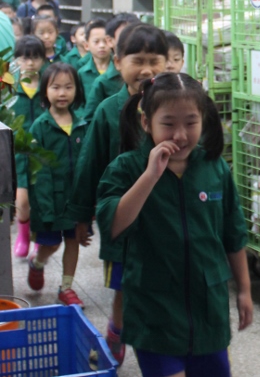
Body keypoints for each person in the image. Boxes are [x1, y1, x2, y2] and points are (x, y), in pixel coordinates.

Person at [96, 72, 253, 377]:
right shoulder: (127, 168)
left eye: (191, 123)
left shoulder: (215, 168)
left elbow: (233, 235)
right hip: (154, 311)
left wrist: (245, 290)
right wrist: (150, 176)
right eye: (168, 124)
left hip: (208, 311)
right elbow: (113, 226)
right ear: (146, 123)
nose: (180, 135)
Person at [66, 23, 169, 365]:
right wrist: (82, 214)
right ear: (118, 60)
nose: (147, 69)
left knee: (165, 283)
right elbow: (89, 163)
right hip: (124, 223)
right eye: (137, 60)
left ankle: (162, 338)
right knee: (124, 287)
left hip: (167, 218)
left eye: (155, 60)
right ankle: (116, 333)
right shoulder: (109, 110)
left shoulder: (175, 105)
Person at [22, 63, 87, 307]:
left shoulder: (82, 125)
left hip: (74, 200)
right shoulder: (40, 126)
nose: (62, 93)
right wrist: (46, 208)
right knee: (51, 244)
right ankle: (37, 262)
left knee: (73, 241)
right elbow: (40, 172)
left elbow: (85, 167)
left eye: (68, 87)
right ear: (45, 91)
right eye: (56, 87)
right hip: (49, 200)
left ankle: (66, 287)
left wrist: (87, 203)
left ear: (77, 90)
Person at [11, 35, 47, 258]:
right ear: (16, 60)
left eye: (35, 58)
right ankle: (23, 233)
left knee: (41, 200)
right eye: (25, 58)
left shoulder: (49, 84)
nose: (30, 63)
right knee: (22, 200)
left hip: (43, 153)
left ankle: (37, 238)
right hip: (18, 153)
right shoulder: (9, 86)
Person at [81, 14, 140, 122]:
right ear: (110, 41)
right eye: (123, 36)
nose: (131, 42)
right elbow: (90, 120)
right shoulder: (103, 82)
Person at [76, 18, 113, 117]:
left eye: (105, 41)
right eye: (96, 42)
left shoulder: (120, 70)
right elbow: (78, 104)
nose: (101, 46)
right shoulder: (82, 73)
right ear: (87, 45)